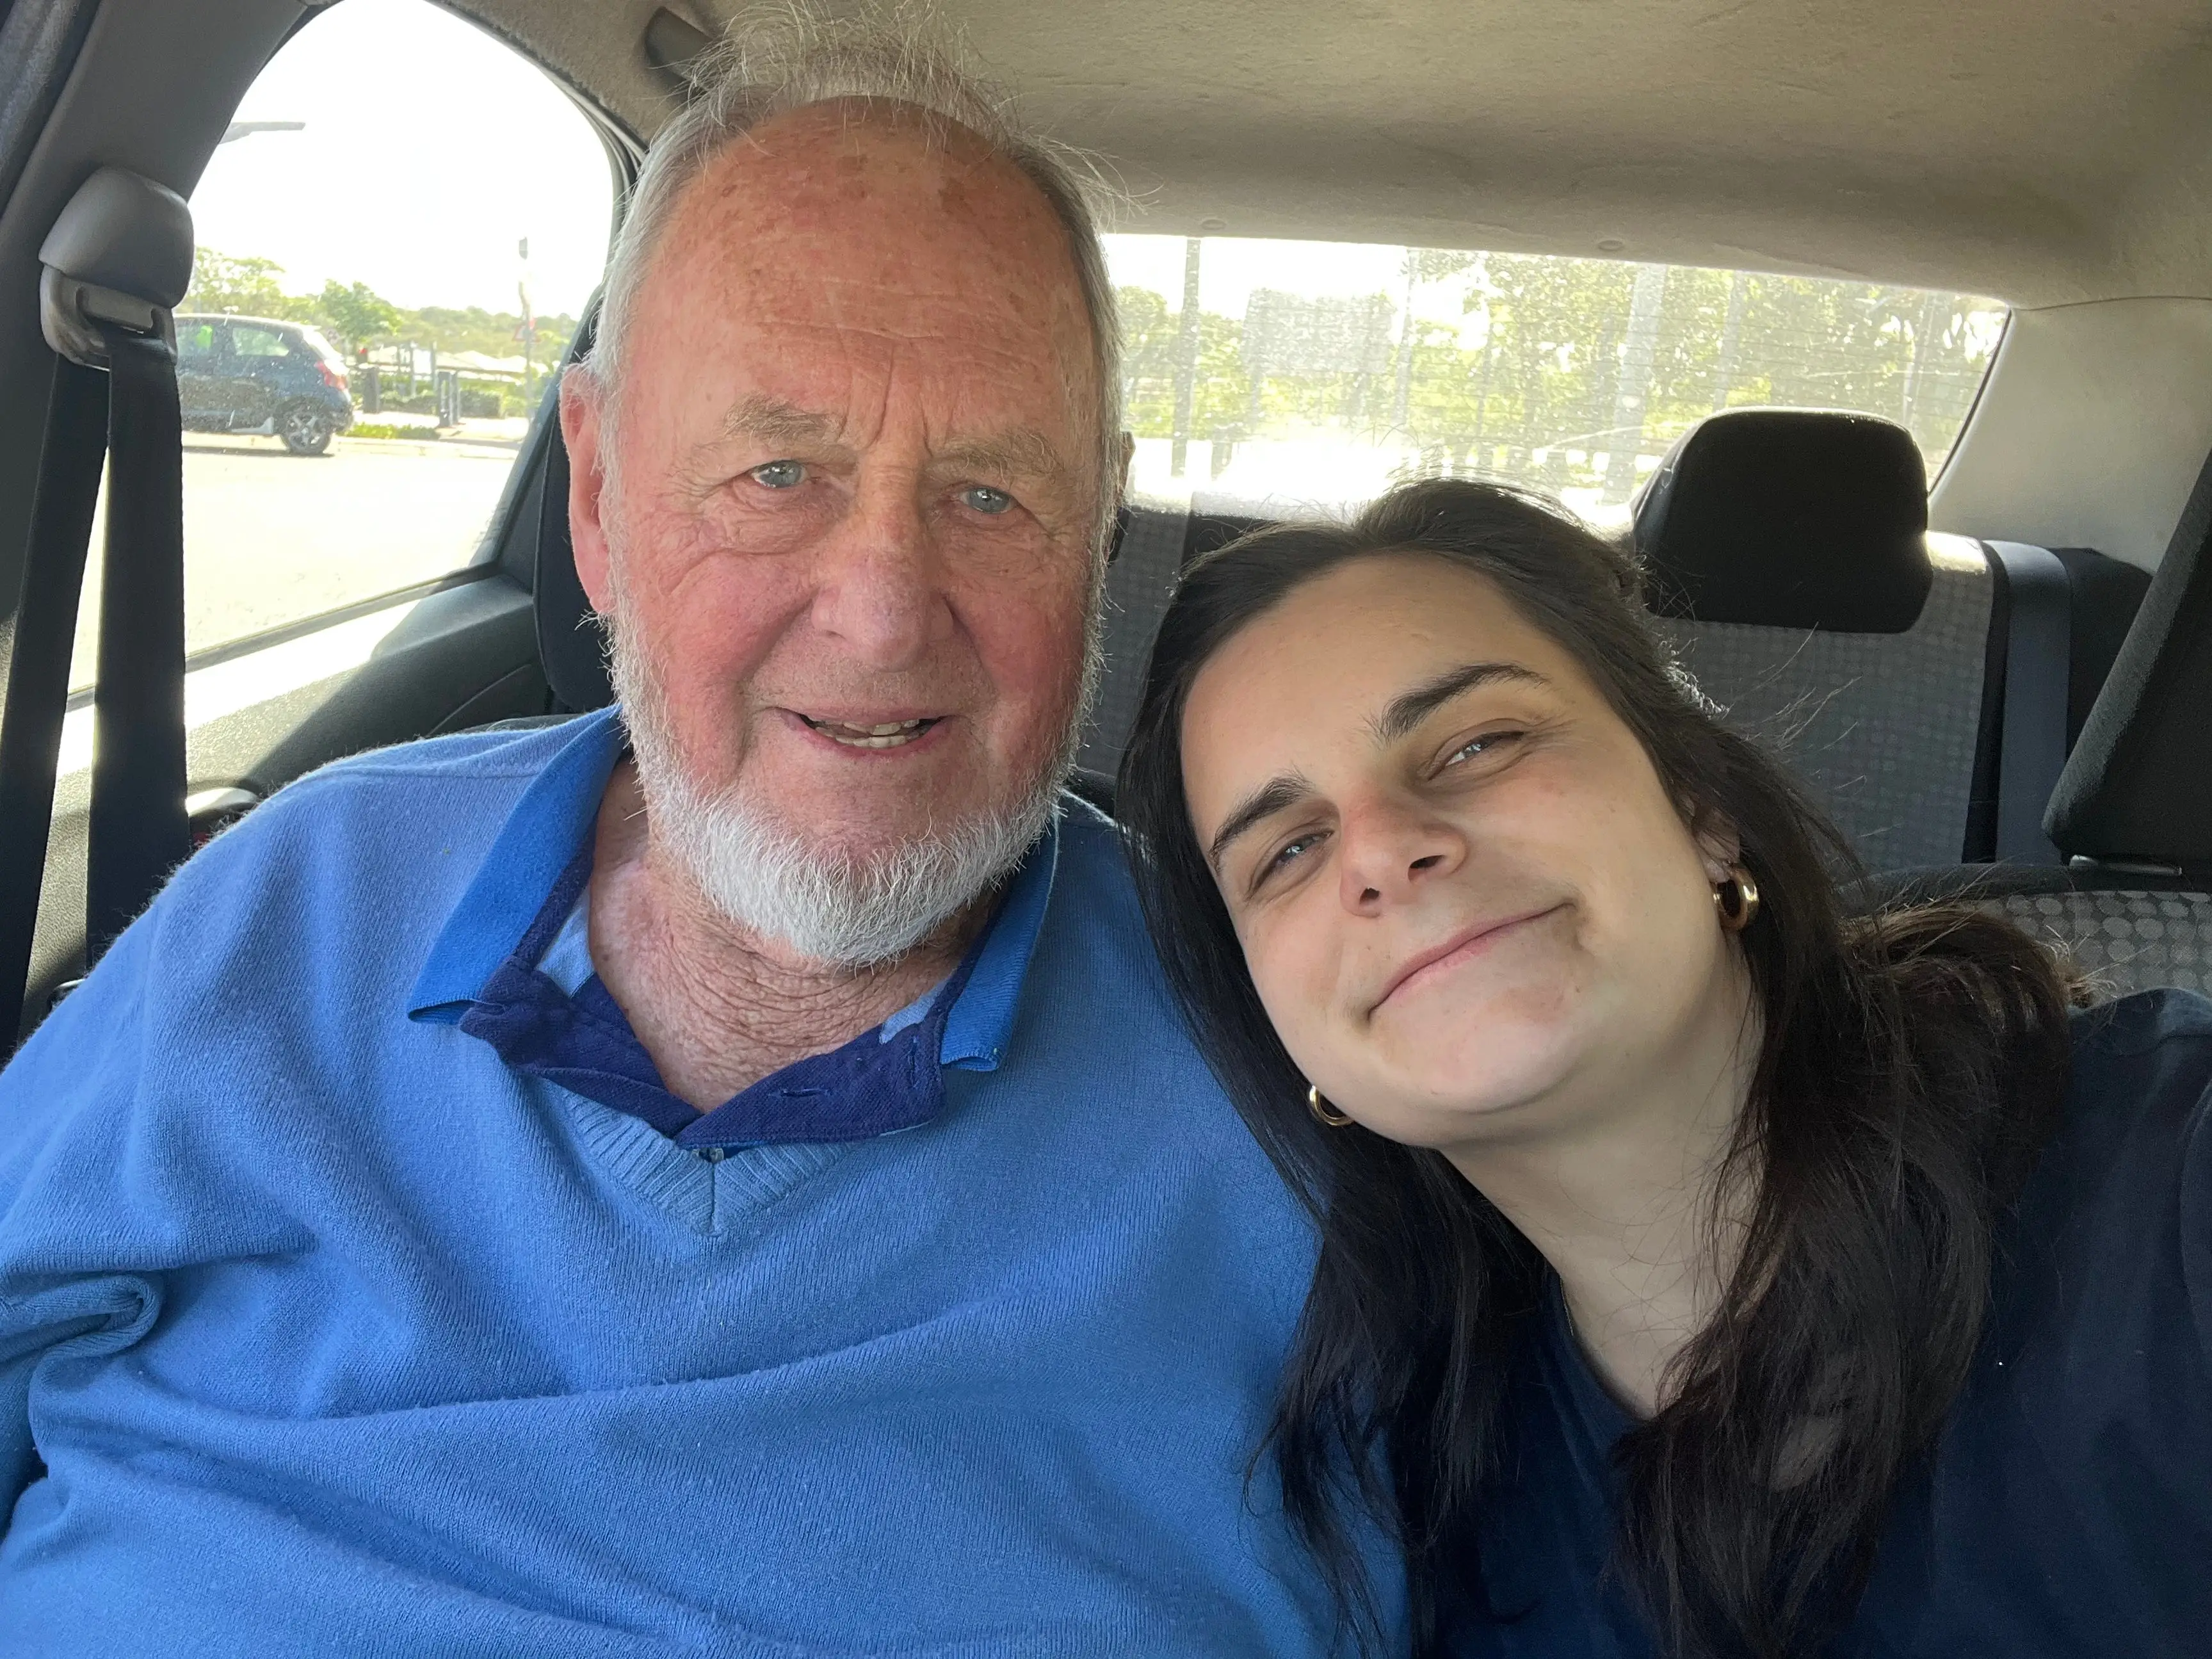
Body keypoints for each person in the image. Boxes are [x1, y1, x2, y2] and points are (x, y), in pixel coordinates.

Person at [0, 10, 1383, 1653]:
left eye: (991, 494)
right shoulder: (298, 900)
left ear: (1098, 538)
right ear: (594, 495)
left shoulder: (1292, 1031)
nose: (882, 613)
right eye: (777, 471)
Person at [1116, 478, 2212, 1658]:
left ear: (1698, 807)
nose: (1381, 851)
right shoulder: (1412, 1503)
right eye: (1286, 850)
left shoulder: (2165, 1190)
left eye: (1478, 742)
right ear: (1281, 1027)